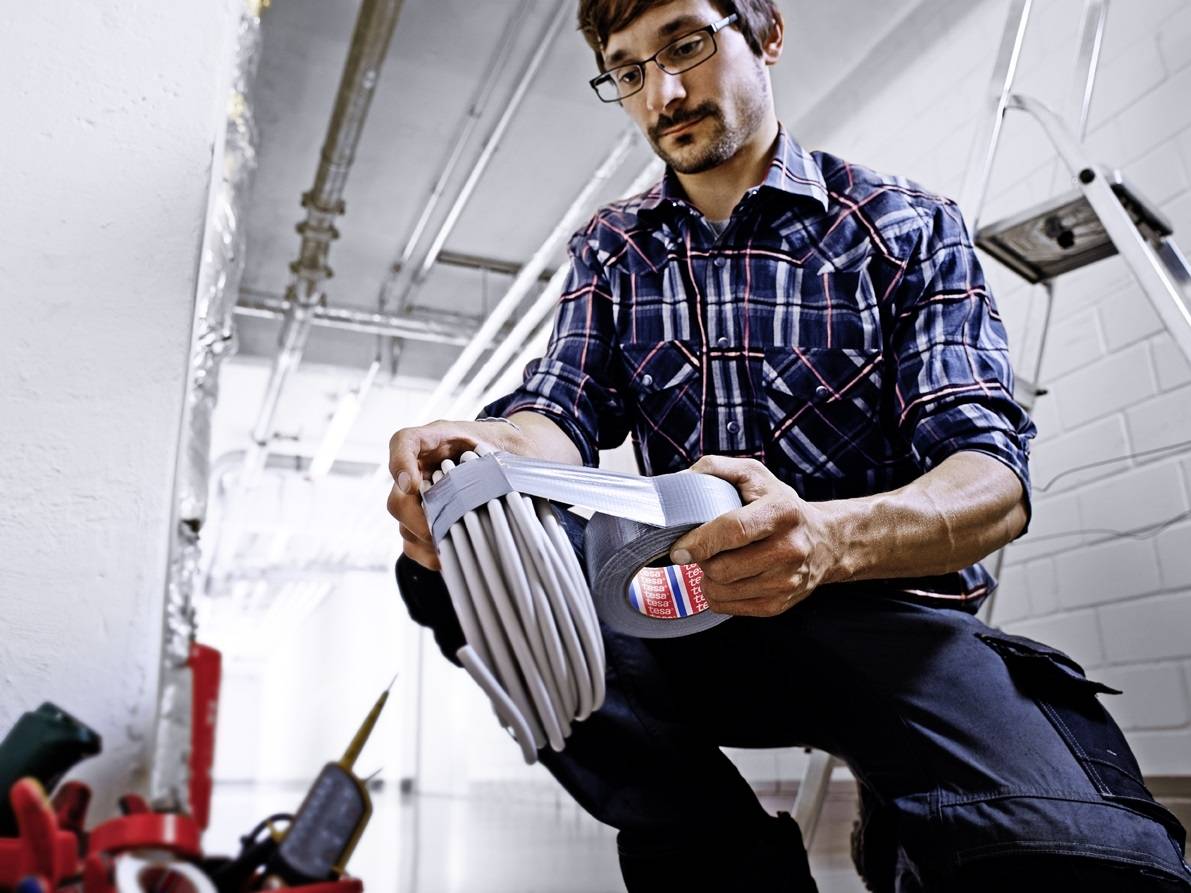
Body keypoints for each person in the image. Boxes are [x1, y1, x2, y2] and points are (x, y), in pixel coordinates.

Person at [386, 0, 1191, 889]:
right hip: (686, 609)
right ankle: (708, 843)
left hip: (887, 620)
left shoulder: (906, 225)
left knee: (1102, 869)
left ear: (765, 34)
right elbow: (560, 412)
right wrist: (482, 449)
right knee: (454, 557)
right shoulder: (612, 248)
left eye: (685, 44)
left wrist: (828, 540)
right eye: (627, 70)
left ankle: (917, 817)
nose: (662, 90)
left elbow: (990, 478)